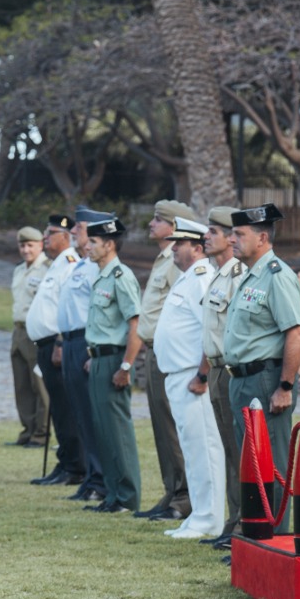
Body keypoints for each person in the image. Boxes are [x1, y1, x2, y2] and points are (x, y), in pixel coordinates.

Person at [223, 204, 300, 550]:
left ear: (262, 238)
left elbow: (296, 333)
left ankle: (274, 543)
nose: (231, 239)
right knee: (251, 466)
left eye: (239, 234)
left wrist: (285, 386)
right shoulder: (250, 275)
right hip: (242, 380)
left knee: (271, 467)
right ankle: (255, 542)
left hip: (266, 380)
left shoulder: (277, 275)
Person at [152, 217, 226, 538]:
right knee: (192, 449)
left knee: (204, 449)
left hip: (193, 378)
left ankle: (209, 518)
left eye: (179, 244)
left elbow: (211, 331)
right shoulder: (187, 278)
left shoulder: (201, 278)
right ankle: (198, 515)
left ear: (197, 248)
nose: (173, 249)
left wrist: (202, 374)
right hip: (178, 375)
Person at [135, 200, 198, 523]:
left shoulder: (177, 262)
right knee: (161, 426)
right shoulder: (164, 258)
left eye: (159, 219)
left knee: (172, 427)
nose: (152, 223)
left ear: (175, 227)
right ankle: (172, 489)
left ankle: (184, 496)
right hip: (154, 350)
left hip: (169, 353)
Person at [83, 216, 144, 515]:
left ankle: (126, 497)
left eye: (93, 242)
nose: (87, 246)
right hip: (99, 358)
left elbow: (136, 324)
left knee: (117, 430)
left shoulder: (121, 276)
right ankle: (112, 494)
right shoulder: (101, 276)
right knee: (103, 430)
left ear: (109, 245)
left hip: (114, 361)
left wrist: (126, 366)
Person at [26, 215, 86, 488]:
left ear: (65, 236)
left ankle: (75, 466)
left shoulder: (70, 263)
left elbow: (70, 306)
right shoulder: (57, 264)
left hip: (57, 345)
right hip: (45, 345)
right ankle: (65, 462)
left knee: (65, 409)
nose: (45, 237)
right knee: (59, 409)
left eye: (50, 232)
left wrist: (61, 343)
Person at [197, 206, 244, 551]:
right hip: (215, 370)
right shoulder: (218, 274)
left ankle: (243, 524)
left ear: (231, 237)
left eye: (213, 231)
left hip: (230, 371)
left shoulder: (238, 275)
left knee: (239, 451)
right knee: (229, 449)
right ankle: (233, 520)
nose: (206, 236)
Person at [59, 209, 109, 503]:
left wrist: (91, 349)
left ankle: (100, 479)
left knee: (91, 416)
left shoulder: (98, 268)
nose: (74, 231)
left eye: (79, 226)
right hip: (70, 341)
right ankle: (91, 478)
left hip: (84, 341)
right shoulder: (80, 264)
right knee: (79, 414)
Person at [8, 226, 51, 448]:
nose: (26, 250)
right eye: (22, 245)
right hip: (18, 330)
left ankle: (41, 434)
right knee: (21, 384)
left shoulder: (47, 269)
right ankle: (27, 430)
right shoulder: (19, 270)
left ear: (41, 245)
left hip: (36, 331)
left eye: (30, 245)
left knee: (39, 384)